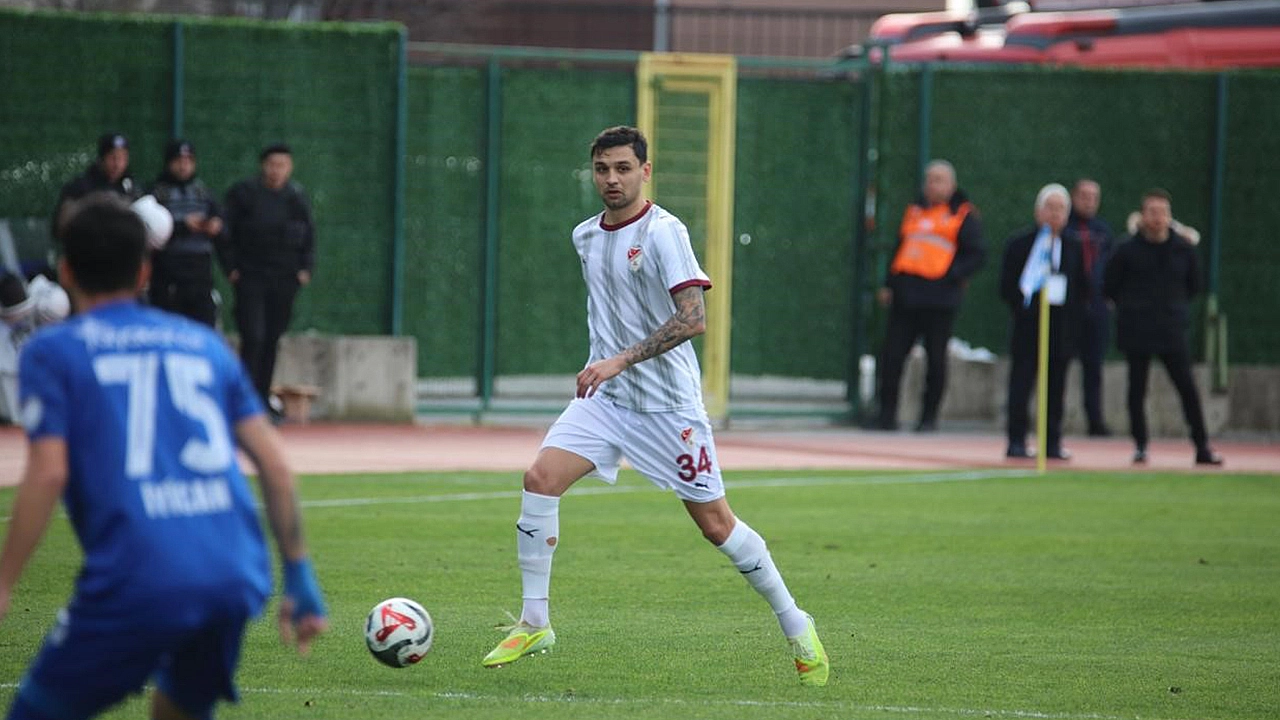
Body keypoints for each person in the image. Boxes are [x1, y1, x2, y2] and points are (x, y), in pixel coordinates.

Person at [480, 126, 828, 686]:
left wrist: (619, 359)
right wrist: (609, 367)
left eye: (623, 168)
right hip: (607, 401)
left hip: (669, 409)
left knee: (716, 525)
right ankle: (535, 622)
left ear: (645, 171)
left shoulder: (665, 232)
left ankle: (795, 621)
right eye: (602, 169)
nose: (611, 179)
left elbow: (693, 319)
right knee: (539, 479)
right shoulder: (584, 236)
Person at [0, 193, 328, 720]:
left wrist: (4, 582)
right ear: (145, 271)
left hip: (139, 578)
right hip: (233, 575)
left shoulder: (54, 351)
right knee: (180, 708)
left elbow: (48, 473)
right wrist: (300, 573)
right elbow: (275, 464)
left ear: (65, 271)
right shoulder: (204, 344)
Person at [1103, 189, 1223, 466]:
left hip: (1171, 330)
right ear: (1142, 215)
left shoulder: (1183, 249)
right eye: (1152, 212)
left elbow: (1194, 285)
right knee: (1136, 389)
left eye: (1162, 212)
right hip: (1136, 329)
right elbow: (1109, 286)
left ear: (1170, 216)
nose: (1157, 218)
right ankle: (1140, 445)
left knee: (1187, 388)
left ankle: (1202, 446)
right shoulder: (1126, 249)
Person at [873, 160, 985, 432]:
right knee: (892, 356)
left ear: (952, 185)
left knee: (935, 359)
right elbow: (902, 249)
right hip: (906, 296)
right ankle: (886, 415)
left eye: (938, 180)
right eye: (929, 179)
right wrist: (890, 284)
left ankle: (928, 417)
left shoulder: (963, 215)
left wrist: (951, 275)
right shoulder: (914, 211)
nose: (932, 185)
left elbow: (977, 254)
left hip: (939, 299)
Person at [221, 144, 315, 412]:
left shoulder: (296, 197)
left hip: (284, 277)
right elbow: (225, 233)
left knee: (272, 338)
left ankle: (262, 399)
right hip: (251, 275)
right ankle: (244, 399)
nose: (276, 171)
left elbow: (309, 234)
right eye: (272, 164)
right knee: (254, 336)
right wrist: (231, 267)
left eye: (282, 165)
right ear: (263, 166)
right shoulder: (244, 194)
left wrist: (305, 268)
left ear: (290, 167)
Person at [998, 184, 1088, 460]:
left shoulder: (1073, 246)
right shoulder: (1020, 244)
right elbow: (1007, 286)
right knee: (1021, 385)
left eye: (1060, 209)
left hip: (1061, 329)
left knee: (1056, 388)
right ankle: (1016, 440)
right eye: (1049, 208)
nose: (1054, 214)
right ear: (1038, 211)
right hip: (1028, 327)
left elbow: (1082, 287)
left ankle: (1052, 442)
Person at [148, 139, 225, 327]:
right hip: (169, 268)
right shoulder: (156, 194)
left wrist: (214, 225)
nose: (183, 166)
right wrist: (183, 225)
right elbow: (150, 230)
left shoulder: (204, 192)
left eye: (188, 161)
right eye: (178, 161)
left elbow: (222, 223)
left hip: (200, 268)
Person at [1067, 179, 1114, 437]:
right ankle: (1051, 420)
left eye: (1094, 197)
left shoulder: (1103, 232)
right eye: (1084, 196)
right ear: (1073, 197)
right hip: (1068, 309)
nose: (1089, 202)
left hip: (1096, 309)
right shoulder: (1065, 228)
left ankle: (1095, 421)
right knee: (1057, 364)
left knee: (1094, 367)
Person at [51, 133, 139, 240]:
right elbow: (59, 228)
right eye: (113, 157)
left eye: (122, 158)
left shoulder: (131, 188)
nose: (117, 165)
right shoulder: (80, 187)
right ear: (101, 158)